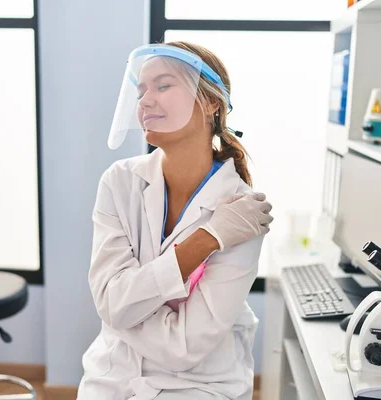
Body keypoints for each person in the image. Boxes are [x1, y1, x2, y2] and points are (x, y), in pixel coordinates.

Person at [78, 41, 274, 400]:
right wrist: (209, 238)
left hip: (198, 385)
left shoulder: (242, 210)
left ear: (211, 103)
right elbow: (111, 303)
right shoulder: (120, 181)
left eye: (163, 86)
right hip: (112, 376)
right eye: (141, 90)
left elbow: (183, 348)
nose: (145, 101)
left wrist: (124, 313)